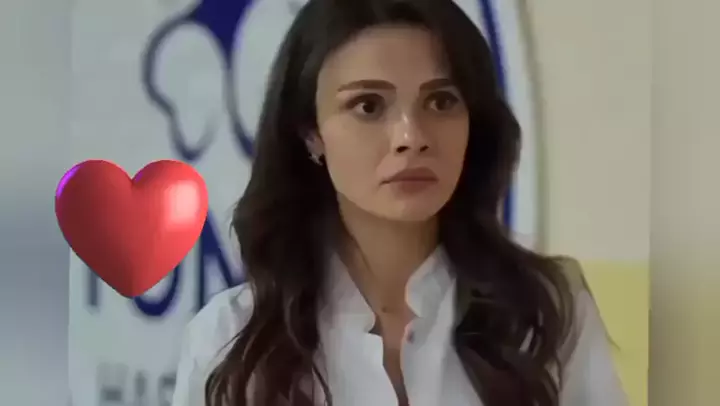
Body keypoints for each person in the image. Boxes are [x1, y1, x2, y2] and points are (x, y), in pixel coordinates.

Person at [171, 0, 629, 405]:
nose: (411, 136)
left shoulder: (547, 313)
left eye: (441, 101)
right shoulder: (230, 341)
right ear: (311, 133)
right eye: (368, 106)